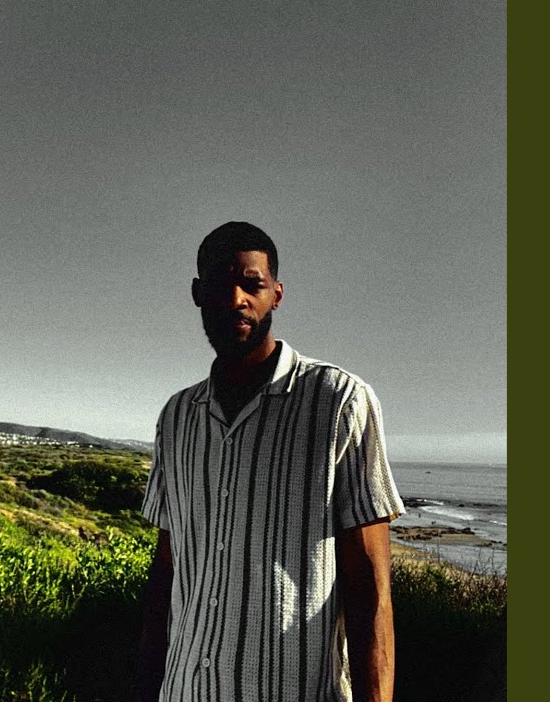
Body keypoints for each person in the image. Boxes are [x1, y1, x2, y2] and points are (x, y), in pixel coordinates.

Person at [137, 221, 405, 702]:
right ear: (198, 294)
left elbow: (369, 589)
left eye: (252, 284)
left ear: (276, 294)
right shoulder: (176, 417)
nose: (236, 299)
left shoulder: (338, 402)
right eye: (219, 285)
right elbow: (166, 574)